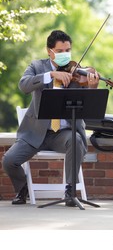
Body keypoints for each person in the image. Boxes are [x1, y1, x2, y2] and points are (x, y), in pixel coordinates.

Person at [2, 30, 100, 207]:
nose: (65, 55)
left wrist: (92, 88)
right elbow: (23, 85)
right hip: (35, 133)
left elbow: (87, 108)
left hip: (63, 134)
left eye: (68, 50)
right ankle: (22, 187)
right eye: (60, 51)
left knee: (76, 140)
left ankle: (70, 191)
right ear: (49, 51)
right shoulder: (37, 66)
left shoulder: (78, 73)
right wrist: (51, 75)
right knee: (9, 161)